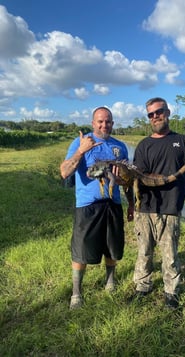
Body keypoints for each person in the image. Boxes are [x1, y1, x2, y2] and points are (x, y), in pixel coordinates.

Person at [131, 97, 185, 309]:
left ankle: (171, 292)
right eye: (150, 114)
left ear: (167, 112)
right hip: (145, 208)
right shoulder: (143, 145)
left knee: (170, 256)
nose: (155, 116)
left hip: (170, 208)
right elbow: (139, 176)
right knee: (144, 253)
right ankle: (142, 286)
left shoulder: (183, 141)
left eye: (159, 112)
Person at [60, 107, 134, 309]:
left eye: (108, 121)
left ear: (113, 123)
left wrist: (131, 204)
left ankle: (110, 281)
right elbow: (65, 172)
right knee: (81, 250)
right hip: (87, 206)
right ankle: (76, 293)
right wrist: (81, 150)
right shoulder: (81, 142)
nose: (104, 125)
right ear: (93, 123)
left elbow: (127, 179)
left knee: (112, 247)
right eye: (100, 121)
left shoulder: (120, 147)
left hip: (113, 203)